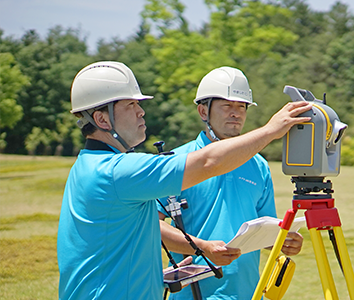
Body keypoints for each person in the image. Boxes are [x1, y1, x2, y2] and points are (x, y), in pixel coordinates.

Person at [57, 61, 311, 300]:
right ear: (102, 119)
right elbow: (209, 162)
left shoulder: (92, 164)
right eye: (130, 106)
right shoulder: (117, 171)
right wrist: (270, 130)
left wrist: (156, 276)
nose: (142, 112)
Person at [157, 66, 304, 300]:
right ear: (203, 111)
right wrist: (202, 247)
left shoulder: (259, 165)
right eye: (227, 105)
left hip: (247, 293)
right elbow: (152, 227)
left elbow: (263, 229)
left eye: (241, 106)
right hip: (192, 294)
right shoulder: (176, 162)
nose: (236, 113)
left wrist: (281, 241)